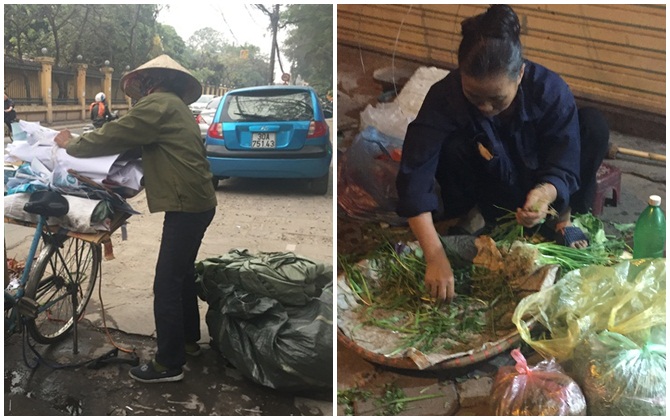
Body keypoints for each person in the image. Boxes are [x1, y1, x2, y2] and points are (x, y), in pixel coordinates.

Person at [395, 5, 609, 303]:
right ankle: (477, 215)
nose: (485, 108)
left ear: (520, 73)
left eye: (497, 99)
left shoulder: (550, 91)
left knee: (593, 125)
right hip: (493, 181)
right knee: (451, 143)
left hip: (540, 185)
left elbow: (564, 162)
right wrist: (434, 254)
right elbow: (414, 173)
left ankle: (564, 221)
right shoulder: (446, 95)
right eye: (474, 97)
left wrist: (544, 194)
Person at [54, 54, 217, 383]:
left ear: (151, 83)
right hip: (199, 202)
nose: (140, 90)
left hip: (187, 206)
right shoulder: (174, 107)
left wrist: (71, 143)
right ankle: (187, 342)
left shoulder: (157, 105)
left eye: (142, 84)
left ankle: (168, 364)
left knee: (166, 282)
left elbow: (113, 134)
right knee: (182, 274)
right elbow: (139, 144)